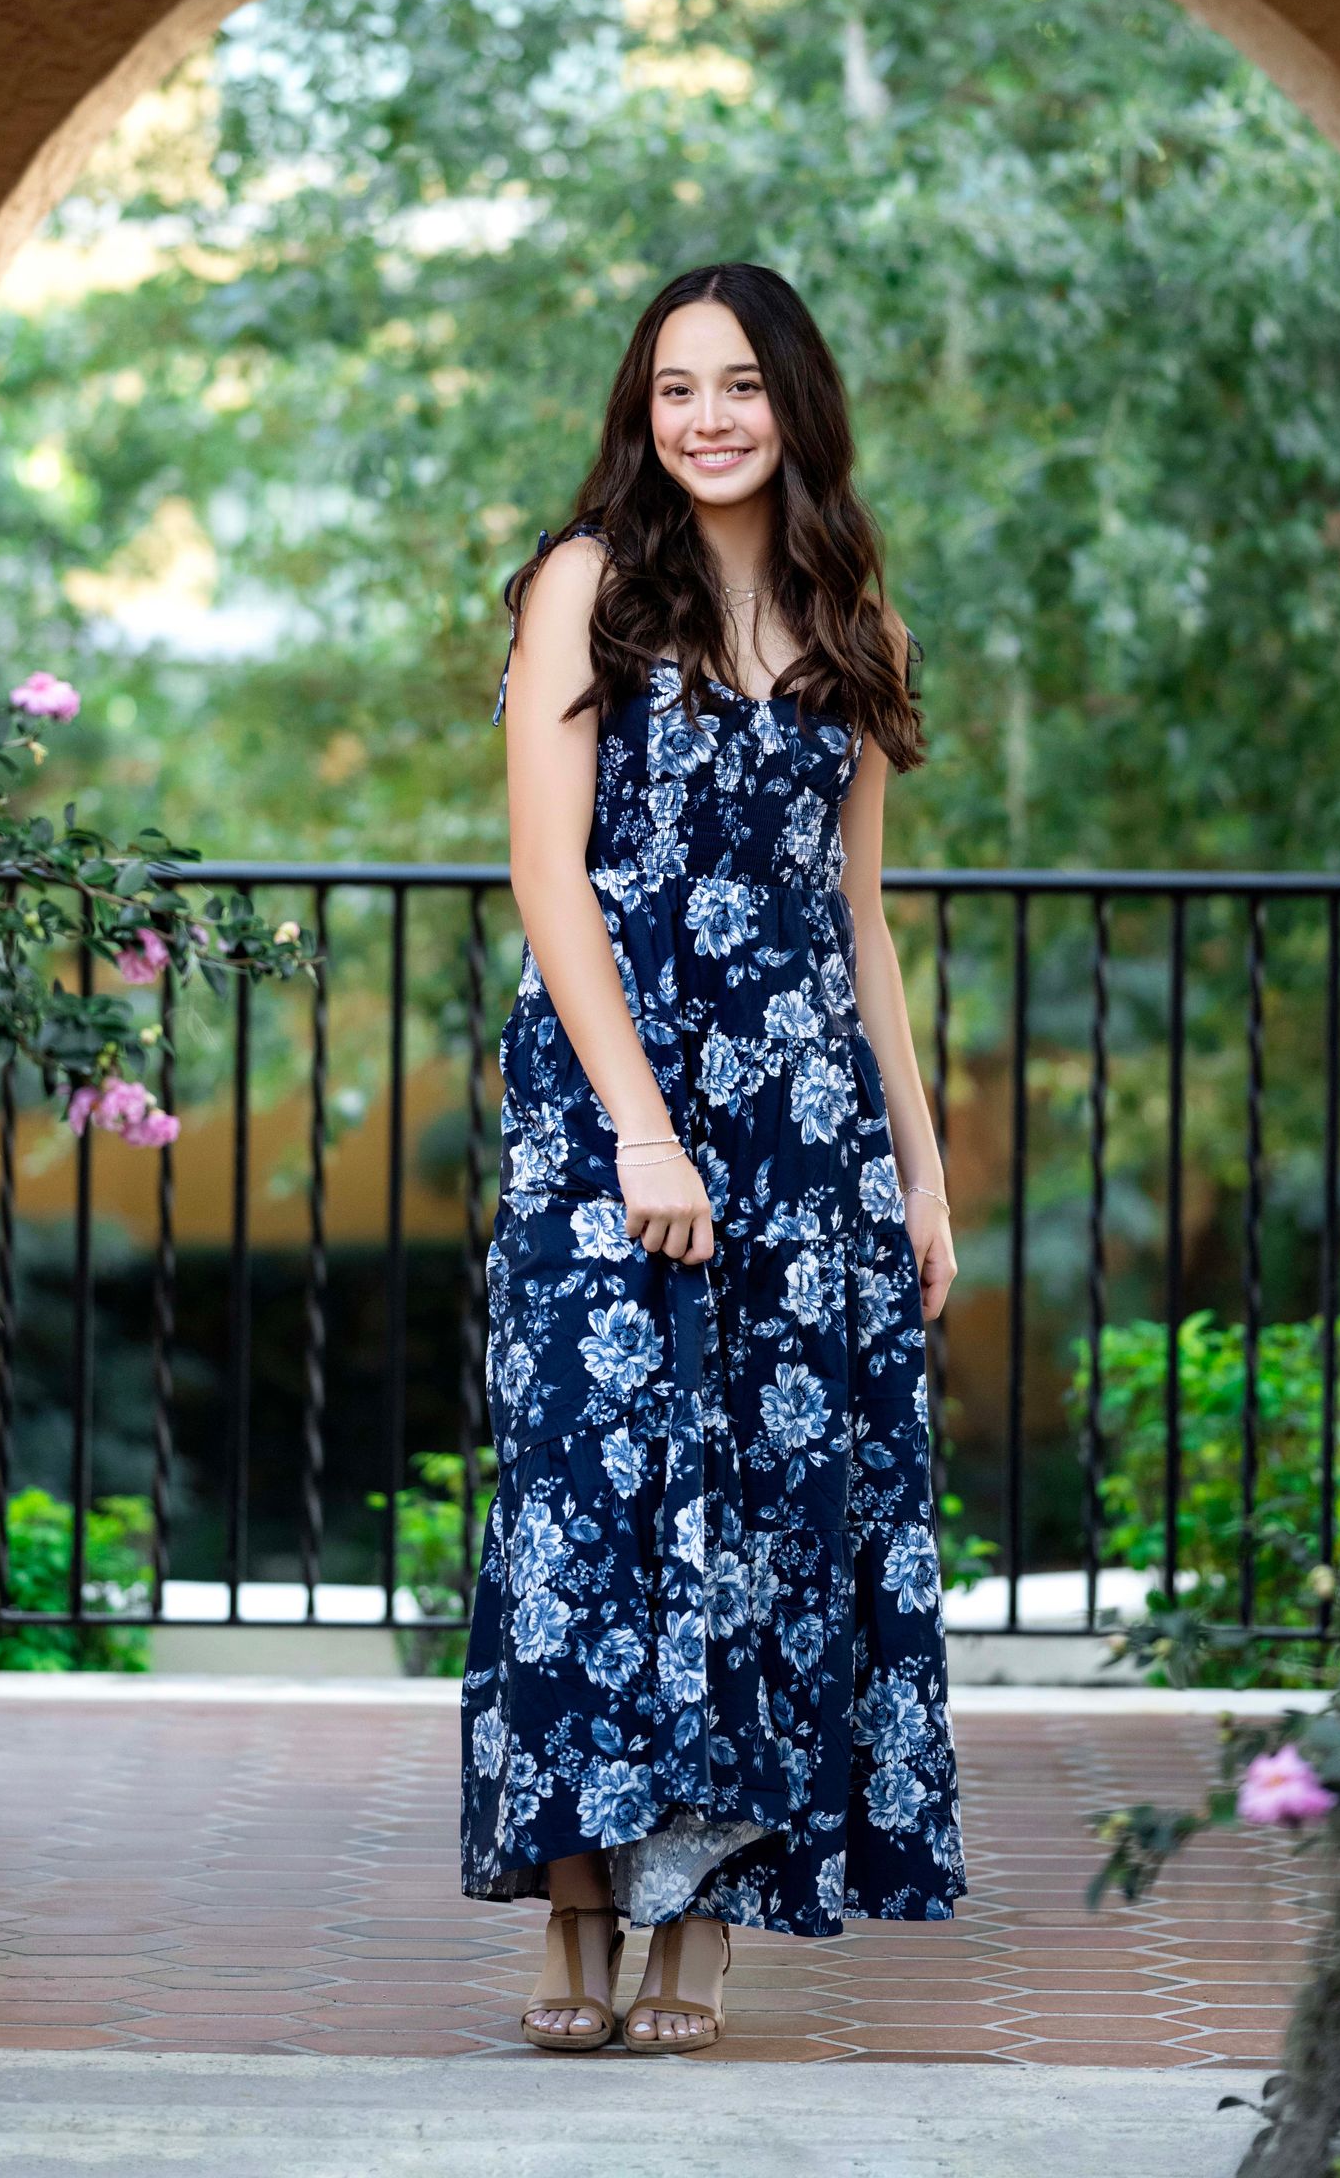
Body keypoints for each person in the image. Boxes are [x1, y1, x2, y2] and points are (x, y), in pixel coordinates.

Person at [459, 261, 965, 2053]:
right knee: (592, 1506)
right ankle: (582, 1915)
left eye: (741, 384)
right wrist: (643, 1127)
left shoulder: (858, 628)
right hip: (612, 1115)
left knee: (767, 1517)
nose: (708, 417)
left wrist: (919, 1169)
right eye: (675, 388)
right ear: (641, 413)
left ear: (795, 403)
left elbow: (863, 923)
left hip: (808, 1132)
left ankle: (709, 1928)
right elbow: (548, 879)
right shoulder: (585, 588)